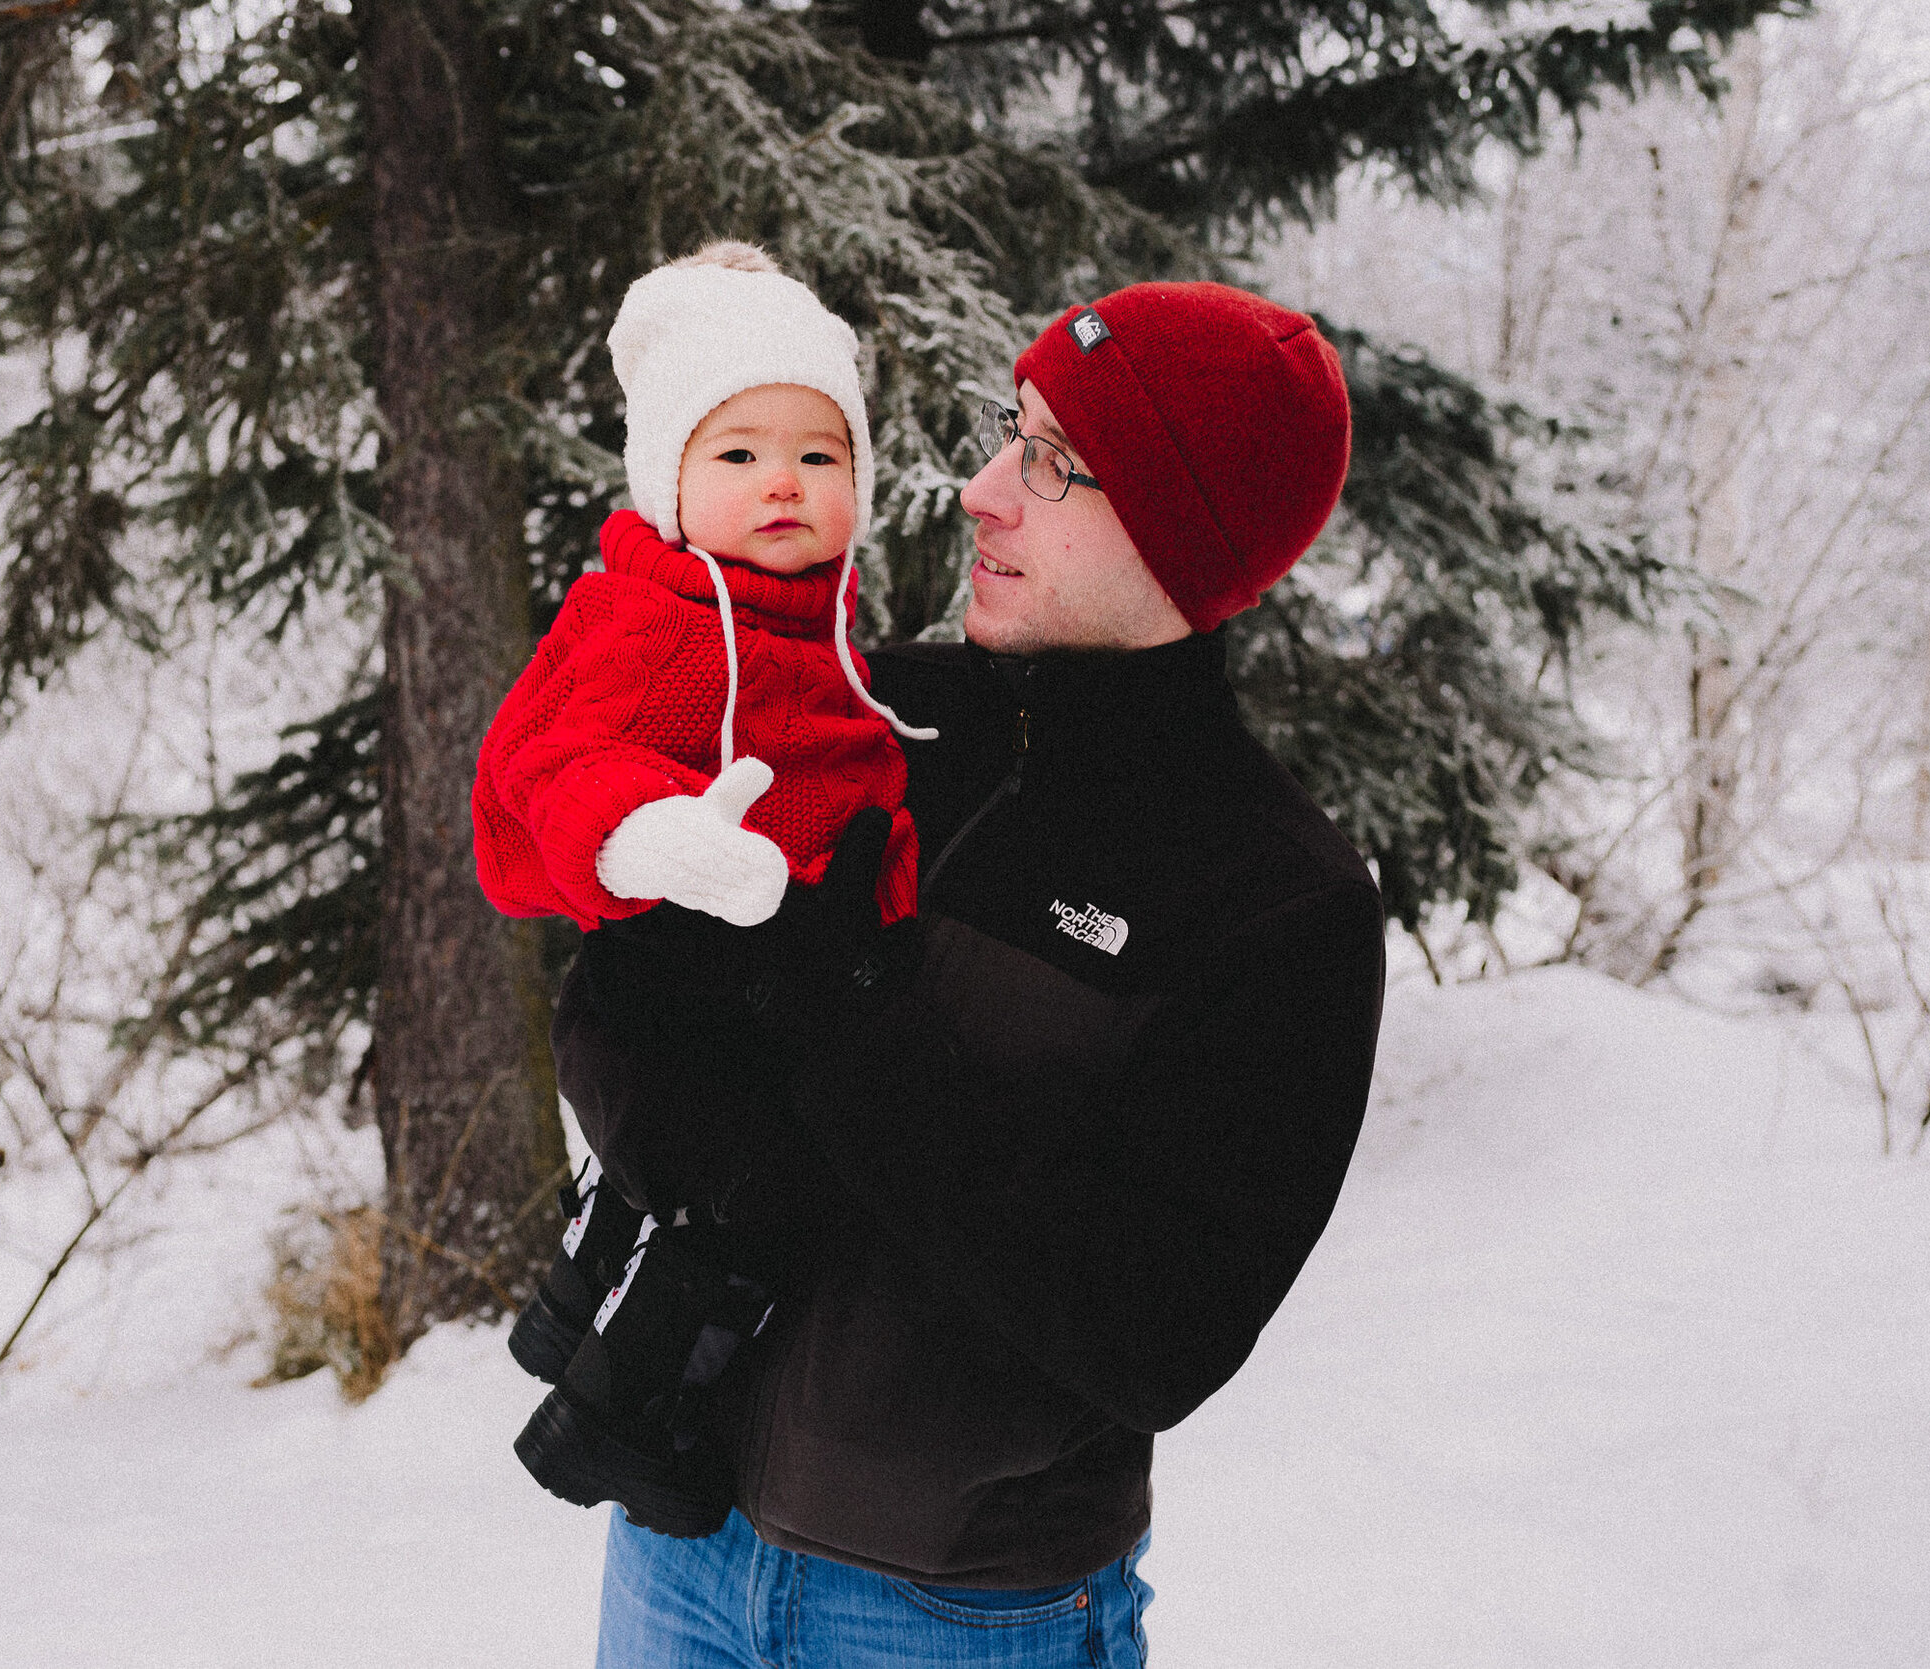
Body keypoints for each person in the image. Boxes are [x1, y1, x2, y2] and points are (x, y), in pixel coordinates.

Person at [557, 280, 1390, 1667]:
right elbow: (605, 1020)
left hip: (957, 1619)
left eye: (1055, 462)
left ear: (1185, 535)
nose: (983, 488)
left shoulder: (1276, 899)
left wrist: (844, 1022)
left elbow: (1153, 1332)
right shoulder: (871, 721)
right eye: (1014, 431)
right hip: (678, 1550)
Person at [472, 242, 929, 1537]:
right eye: (738, 454)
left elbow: (868, 791)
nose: (783, 480)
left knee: (707, 1172)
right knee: (759, 1201)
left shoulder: (830, 629)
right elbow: (543, 765)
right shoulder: (649, 616)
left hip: (767, 980)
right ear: (668, 477)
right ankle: (615, 1418)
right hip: (667, 975)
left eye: (820, 455)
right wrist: (643, 834)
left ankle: (575, 1300)